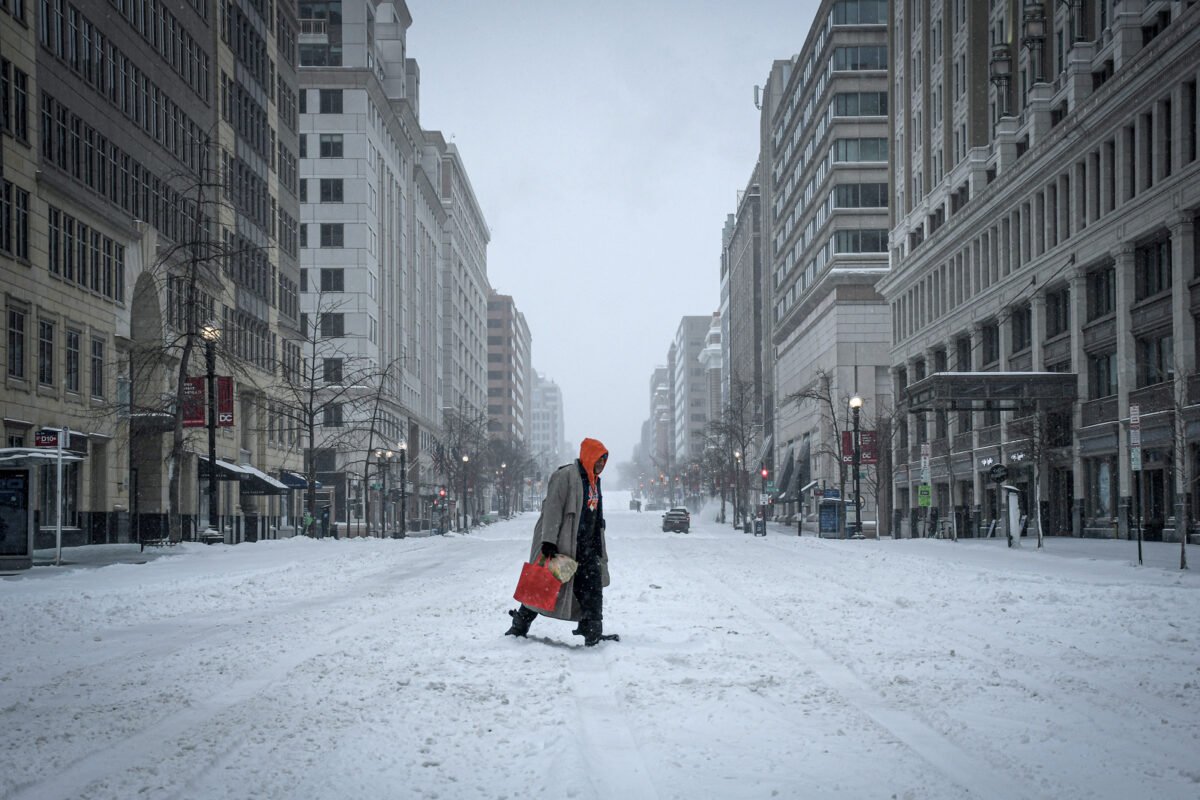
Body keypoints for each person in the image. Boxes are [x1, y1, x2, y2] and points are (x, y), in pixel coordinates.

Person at [505, 437, 615, 646]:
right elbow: (553, 508)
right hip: (565, 543)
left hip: (588, 547)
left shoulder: (594, 481)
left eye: (604, 461)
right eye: (599, 459)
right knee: (544, 584)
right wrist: (549, 541)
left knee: (593, 587)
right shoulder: (565, 476)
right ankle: (519, 624)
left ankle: (593, 632)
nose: (601, 464)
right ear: (589, 456)